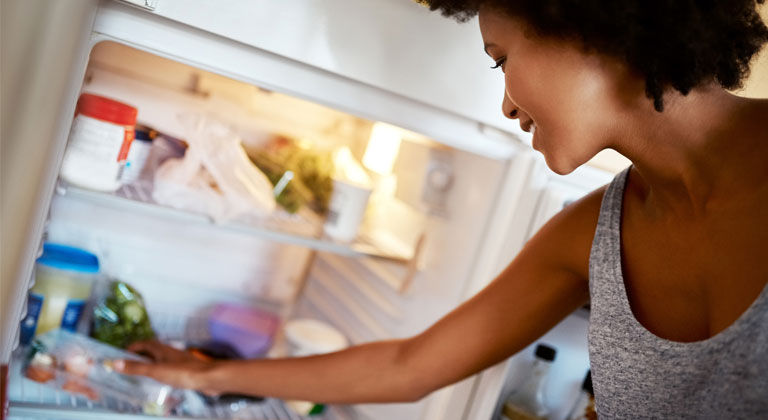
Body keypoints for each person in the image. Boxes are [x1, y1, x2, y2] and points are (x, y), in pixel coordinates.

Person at [115, 1, 768, 417]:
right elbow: (410, 367)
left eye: (502, 60)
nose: (506, 106)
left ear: (587, 20)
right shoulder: (592, 233)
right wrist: (210, 375)